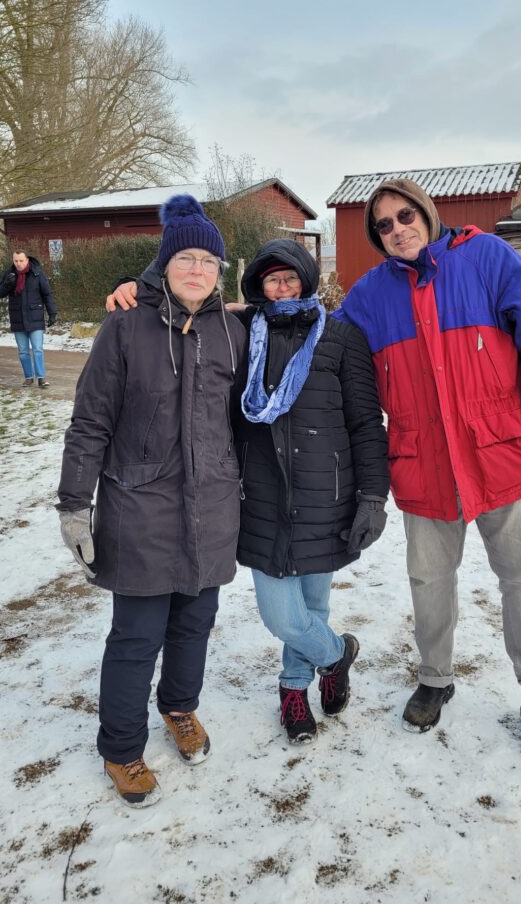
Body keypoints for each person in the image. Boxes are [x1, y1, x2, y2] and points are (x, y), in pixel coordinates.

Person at [333, 177, 521, 771]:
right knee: (429, 581)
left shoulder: (486, 257)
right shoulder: (370, 295)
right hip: (423, 464)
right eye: (384, 225)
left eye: (405, 215)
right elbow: (320, 343)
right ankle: (435, 678)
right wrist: (239, 311)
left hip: (502, 456)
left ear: (427, 212)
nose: (397, 229)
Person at [106, 239, 389, 744]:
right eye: (271, 280)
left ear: (306, 280)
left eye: (290, 278)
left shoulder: (341, 337)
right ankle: (336, 655)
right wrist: (136, 286)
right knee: (283, 615)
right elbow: (184, 302)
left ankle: (294, 687)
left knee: (314, 605)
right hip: (260, 498)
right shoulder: (237, 331)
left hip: (326, 496)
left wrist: (373, 496)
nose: (282, 288)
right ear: (258, 286)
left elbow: (367, 423)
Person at [57, 195, 247, 807]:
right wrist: (74, 503)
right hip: (139, 507)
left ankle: (179, 707)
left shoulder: (231, 332)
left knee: (195, 624)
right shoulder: (125, 325)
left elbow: (242, 420)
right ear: (164, 264)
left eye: (209, 261)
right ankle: (120, 748)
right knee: (136, 636)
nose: (197, 269)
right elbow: (91, 420)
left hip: (212, 506)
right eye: (185, 258)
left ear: (220, 272)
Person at [0, 249, 57, 387]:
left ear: (27, 260)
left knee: (37, 349)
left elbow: (47, 294)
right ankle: (29, 377)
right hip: (17, 318)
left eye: (21, 260)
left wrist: (52, 313)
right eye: (16, 261)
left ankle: (41, 378)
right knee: (23, 351)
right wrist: (6, 285)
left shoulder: (37, 273)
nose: (18, 263)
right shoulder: (9, 274)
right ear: (13, 260)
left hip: (35, 316)